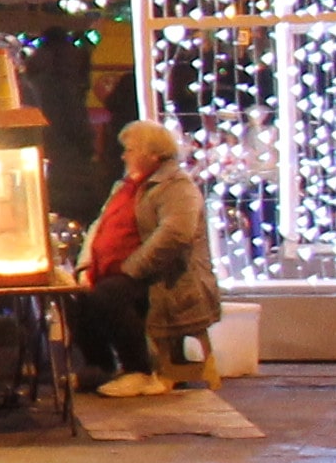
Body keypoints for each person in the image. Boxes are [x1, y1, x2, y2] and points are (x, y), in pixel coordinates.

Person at [72, 120, 223, 395]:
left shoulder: (176, 187)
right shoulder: (125, 186)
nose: (123, 156)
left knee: (109, 295)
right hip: (118, 270)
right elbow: (99, 225)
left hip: (162, 277)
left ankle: (138, 371)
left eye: (130, 150)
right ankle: (99, 367)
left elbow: (175, 234)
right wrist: (85, 266)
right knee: (76, 294)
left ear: (152, 155)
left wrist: (131, 268)